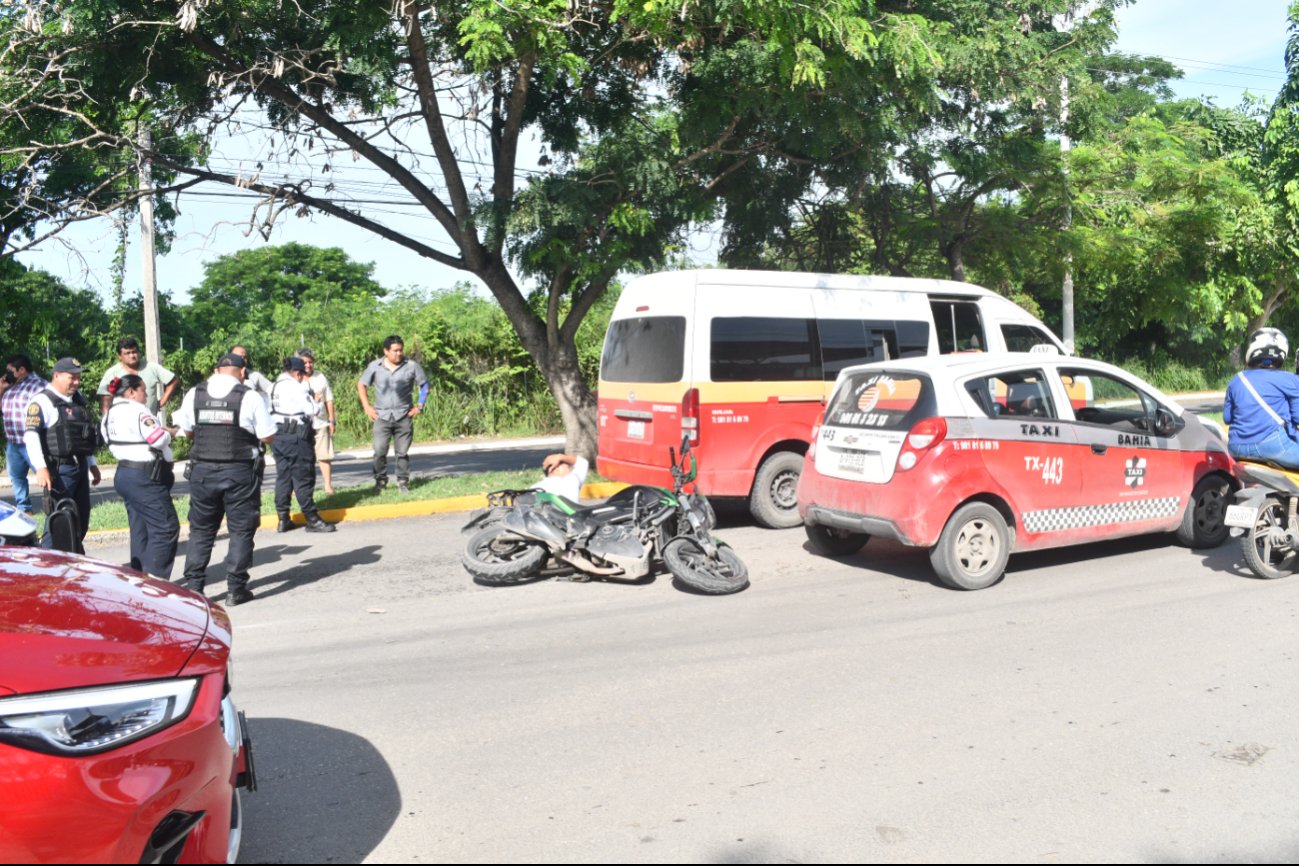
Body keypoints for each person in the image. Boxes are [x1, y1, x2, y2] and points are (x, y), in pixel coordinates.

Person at [173, 352, 277, 606]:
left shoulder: (194, 394)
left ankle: (195, 588)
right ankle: (235, 588)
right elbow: (267, 436)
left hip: (203, 472)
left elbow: (187, 431)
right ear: (242, 372)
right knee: (241, 530)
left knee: (201, 530)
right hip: (239, 472)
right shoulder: (249, 396)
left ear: (217, 369)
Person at [101, 373, 179, 579]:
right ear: (131, 392)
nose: (147, 396)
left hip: (125, 473)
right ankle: (155, 582)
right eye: (144, 390)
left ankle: (137, 579)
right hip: (145, 477)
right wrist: (169, 433)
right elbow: (157, 438)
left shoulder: (108, 414)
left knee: (140, 530)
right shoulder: (138, 411)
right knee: (165, 527)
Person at [23, 357, 102, 547]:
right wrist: (40, 468)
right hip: (60, 471)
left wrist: (92, 464)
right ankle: (46, 566)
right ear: (56, 376)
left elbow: (83, 435)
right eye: (71, 377)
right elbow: (30, 437)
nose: (76, 382)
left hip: (80, 466)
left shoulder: (77, 399)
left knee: (80, 521)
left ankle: (72, 562)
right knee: (58, 521)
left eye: (78, 377)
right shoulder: (41, 401)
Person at [271, 356, 335, 533]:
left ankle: (283, 518)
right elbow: (313, 410)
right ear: (298, 373)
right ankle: (312, 519)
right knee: (303, 477)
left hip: (278, 435)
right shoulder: (296, 387)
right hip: (297, 437)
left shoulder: (273, 386)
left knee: (283, 477)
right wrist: (315, 400)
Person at [357, 335, 429, 493]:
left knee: (402, 453)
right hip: (381, 417)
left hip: (404, 416)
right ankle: (380, 482)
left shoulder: (411, 366)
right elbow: (361, 384)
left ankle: (403, 482)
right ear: (386, 351)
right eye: (395, 351)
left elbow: (424, 385)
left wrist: (419, 406)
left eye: (401, 350)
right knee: (379, 451)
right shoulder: (375, 366)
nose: (399, 353)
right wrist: (367, 407)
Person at [1223, 327, 1299, 469]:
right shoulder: (1290, 380)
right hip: (1272, 446)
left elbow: (1227, 418)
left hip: (1236, 448)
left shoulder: (1236, 380)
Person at [1, 354, 48, 515]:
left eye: (10, 371)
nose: (6, 374)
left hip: (32, 441)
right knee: (17, 478)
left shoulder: (39, 386)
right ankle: (24, 509)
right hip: (13, 442)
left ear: (21, 370)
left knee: (45, 474)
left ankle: (55, 503)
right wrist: (1, 389)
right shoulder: (10, 386)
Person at [96, 336, 178, 418]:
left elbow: (173, 380)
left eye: (134, 352)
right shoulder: (112, 373)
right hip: (123, 422)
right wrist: (106, 420)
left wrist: (161, 402)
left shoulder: (151, 367)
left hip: (148, 421)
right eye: (127, 353)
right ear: (119, 356)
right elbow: (105, 398)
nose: (132, 356)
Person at [297, 348, 337, 494]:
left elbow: (329, 399)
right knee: (301, 458)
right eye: (304, 362)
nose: (308, 365)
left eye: (310, 362)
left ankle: (327, 486)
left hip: (320, 423)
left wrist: (332, 420)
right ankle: (300, 488)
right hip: (301, 424)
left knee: (324, 456)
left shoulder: (320, 377)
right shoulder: (294, 378)